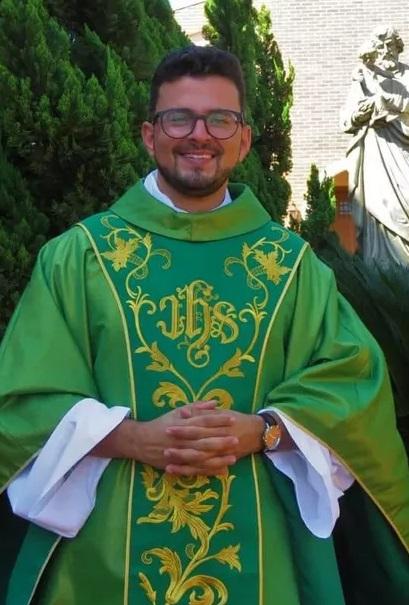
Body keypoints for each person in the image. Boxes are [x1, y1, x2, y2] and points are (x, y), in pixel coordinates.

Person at [0, 46, 408, 605]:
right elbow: (21, 400)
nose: (200, 134)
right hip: (102, 554)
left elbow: (354, 385)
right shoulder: (78, 257)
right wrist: (133, 438)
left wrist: (262, 430)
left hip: (260, 541)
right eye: (179, 118)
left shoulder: (292, 268)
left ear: (242, 140)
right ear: (149, 134)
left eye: (220, 119)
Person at [341, 25, 409, 269]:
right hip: (375, 156)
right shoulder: (363, 76)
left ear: (398, 47)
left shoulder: (407, 76)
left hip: (403, 153)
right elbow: (346, 120)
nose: (386, 51)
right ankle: (380, 268)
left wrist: (390, 102)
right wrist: (363, 111)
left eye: (390, 45)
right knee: (378, 208)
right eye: (381, 46)